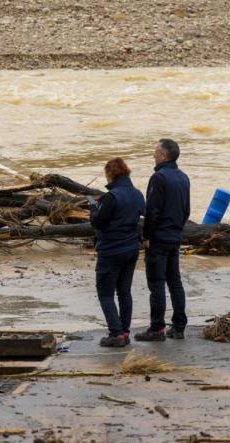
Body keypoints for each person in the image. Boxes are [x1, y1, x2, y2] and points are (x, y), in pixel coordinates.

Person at [136, 139, 190, 342]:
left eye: (156, 152)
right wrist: (178, 230)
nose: (153, 155)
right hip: (174, 236)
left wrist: (146, 236)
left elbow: (152, 211)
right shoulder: (183, 177)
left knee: (157, 283)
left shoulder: (159, 178)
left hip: (159, 238)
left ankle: (157, 328)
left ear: (164, 156)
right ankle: (179, 326)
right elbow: (186, 210)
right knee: (175, 281)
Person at [91, 157, 145, 347]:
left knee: (105, 293)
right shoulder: (138, 194)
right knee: (124, 292)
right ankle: (125, 330)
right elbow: (142, 212)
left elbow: (98, 221)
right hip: (131, 249)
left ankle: (117, 334)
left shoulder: (111, 197)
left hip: (111, 250)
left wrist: (93, 205)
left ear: (110, 175)